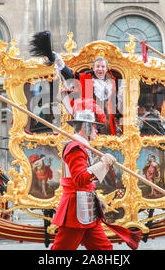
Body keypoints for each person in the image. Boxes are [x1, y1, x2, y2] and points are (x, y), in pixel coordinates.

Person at [51, 98, 141, 250]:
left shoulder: (82, 147)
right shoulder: (75, 147)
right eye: (93, 127)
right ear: (85, 127)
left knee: (104, 249)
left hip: (85, 206)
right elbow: (80, 179)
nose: (96, 131)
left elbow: (85, 181)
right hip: (75, 209)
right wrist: (103, 164)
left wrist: (95, 198)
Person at [54, 53, 121, 136]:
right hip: (89, 123)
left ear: (107, 69)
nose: (100, 69)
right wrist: (60, 62)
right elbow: (71, 75)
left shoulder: (112, 83)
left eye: (103, 66)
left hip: (108, 126)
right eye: (98, 66)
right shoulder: (86, 78)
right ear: (93, 68)